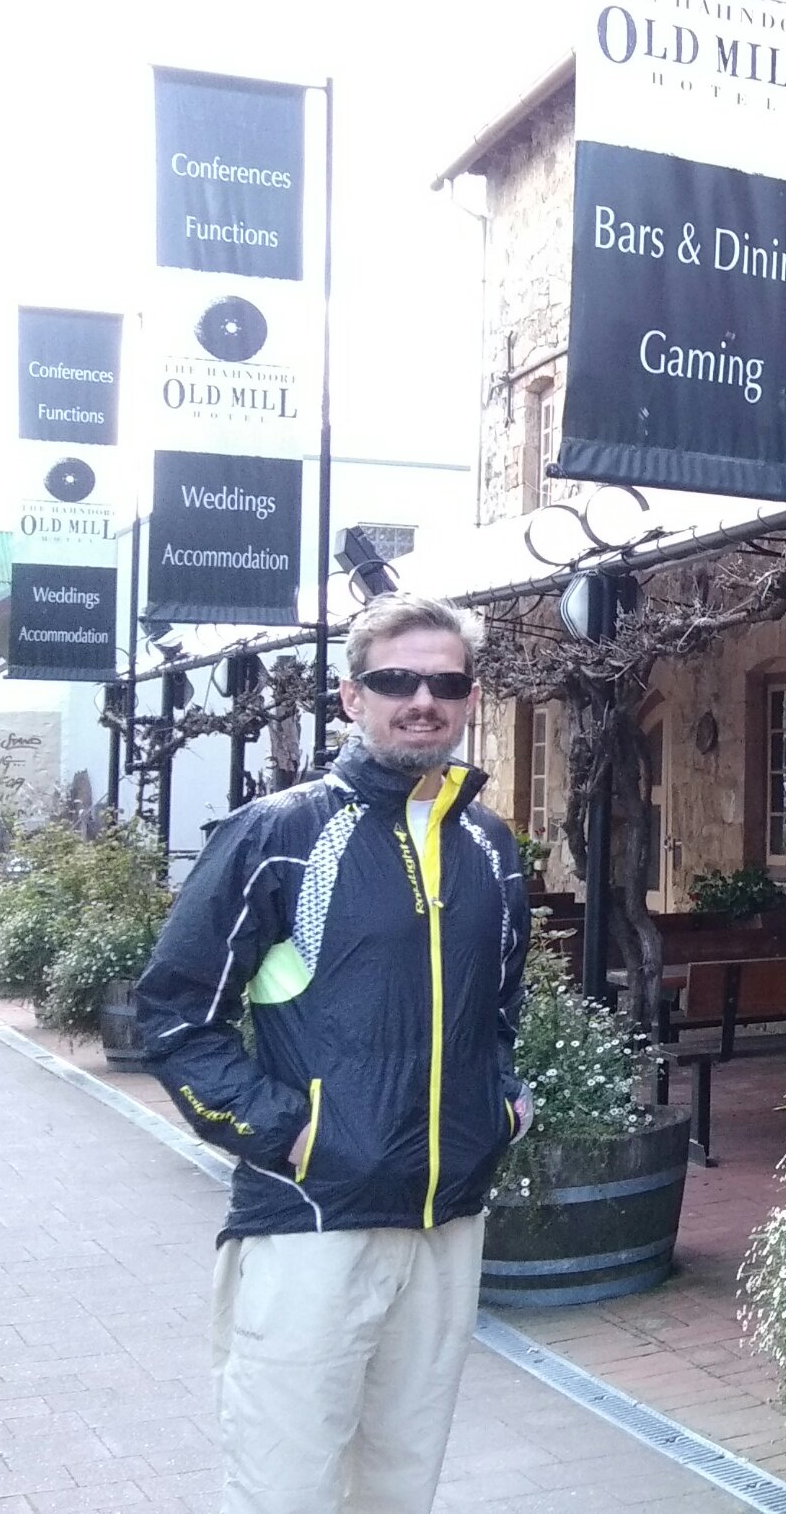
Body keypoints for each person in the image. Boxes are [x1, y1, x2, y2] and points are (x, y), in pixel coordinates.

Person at [138, 592, 532, 1513]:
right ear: (353, 697)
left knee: (401, 1486)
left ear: (472, 699)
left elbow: (498, 1008)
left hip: (447, 1220)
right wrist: (289, 1133)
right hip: (312, 1219)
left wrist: (503, 1103)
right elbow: (174, 1014)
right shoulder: (282, 834)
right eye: (397, 681)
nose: (423, 700)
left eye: (446, 684)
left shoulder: (488, 843)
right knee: (284, 1488)